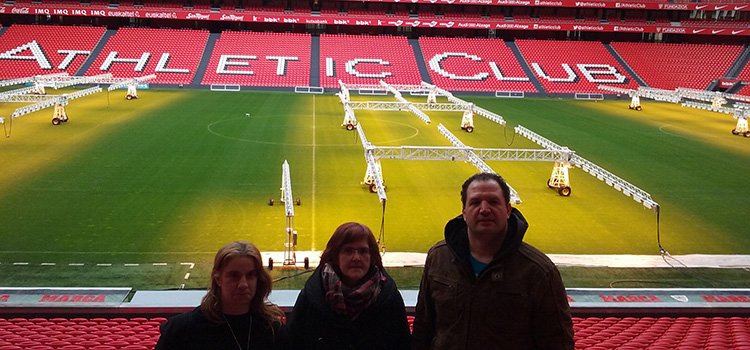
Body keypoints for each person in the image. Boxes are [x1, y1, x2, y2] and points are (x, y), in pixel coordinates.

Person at [411, 173, 575, 350]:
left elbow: (557, 342)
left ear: (508, 210)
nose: (484, 209)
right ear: (464, 212)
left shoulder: (539, 271)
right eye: (475, 202)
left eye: (493, 202)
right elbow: (423, 328)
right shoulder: (438, 257)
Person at [288, 222, 411, 350]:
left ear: (372, 256)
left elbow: (403, 343)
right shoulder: (311, 297)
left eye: (363, 251)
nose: (356, 258)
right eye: (348, 251)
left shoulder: (389, 299)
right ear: (335, 255)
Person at [155, 241, 291, 350]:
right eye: (234, 276)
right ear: (218, 278)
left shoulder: (273, 330)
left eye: (250, 275)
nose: (243, 284)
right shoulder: (182, 330)